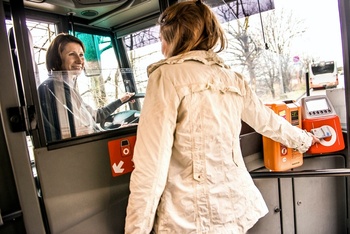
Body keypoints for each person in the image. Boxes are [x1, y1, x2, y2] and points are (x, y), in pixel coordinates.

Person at [124, 1, 320, 233]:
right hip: (233, 209)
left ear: (175, 37)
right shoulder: (232, 78)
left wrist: (136, 230)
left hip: (191, 216)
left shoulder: (166, 77)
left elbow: (151, 166)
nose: (161, 46)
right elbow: (268, 121)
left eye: (162, 38)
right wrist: (305, 140)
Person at [38, 33, 134, 142]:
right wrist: (117, 131)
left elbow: (95, 116)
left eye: (81, 55)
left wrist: (121, 101)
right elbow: (80, 131)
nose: (79, 61)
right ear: (57, 59)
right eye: (71, 54)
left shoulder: (67, 88)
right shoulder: (55, 88)